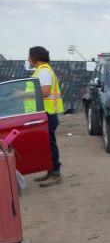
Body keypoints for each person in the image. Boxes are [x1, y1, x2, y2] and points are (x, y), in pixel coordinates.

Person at [28, 46, 64, 187]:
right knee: (47, 144)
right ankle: (51, 171)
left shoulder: (43, 71)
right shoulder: (41, 70)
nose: (28, 59)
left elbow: (45, 92)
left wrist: (22, 94)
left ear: (35, 57)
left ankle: (55, 174)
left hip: (47, 114)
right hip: (44, 113)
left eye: (29, 56)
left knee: (50, 144)